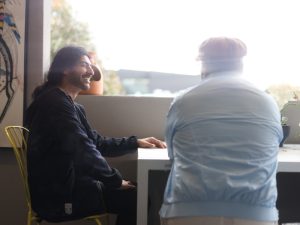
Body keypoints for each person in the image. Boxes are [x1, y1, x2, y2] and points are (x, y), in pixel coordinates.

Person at [24, 45, 166, 225]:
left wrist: (135, 142)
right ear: (65, 69)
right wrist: (114, 181)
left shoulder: (69, 105)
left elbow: (96, 143)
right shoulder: (55, 104)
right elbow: (82, 148)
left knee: (136, 192)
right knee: (136, 198)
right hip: (59, 198)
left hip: (70, 186)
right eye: (84, 65)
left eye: (91, 66)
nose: (91, 71)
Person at [159, 37, 283, 225]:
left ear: (203, 63)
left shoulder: (184, 100)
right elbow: (273, 148)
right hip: (256, 215)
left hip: (189, 212)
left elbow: (173, 156)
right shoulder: (268, 102)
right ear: (241, 64)